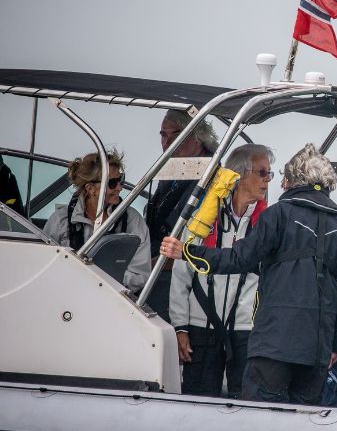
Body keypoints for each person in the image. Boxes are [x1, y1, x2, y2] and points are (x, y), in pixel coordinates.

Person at [160, 143, 337, 405]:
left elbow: (239, 258)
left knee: (256, 417)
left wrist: (187, 252)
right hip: (317, 351)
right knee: (302, 424)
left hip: (272, 347)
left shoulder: (276, 215)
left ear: (292, 180)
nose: (274, 183)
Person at [169, 144, 273, 398]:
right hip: (200, 326)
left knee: (245, 402)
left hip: (245, 330)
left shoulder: (268, 223)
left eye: (271, 173)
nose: (268, 179)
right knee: (197, 399)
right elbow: (181, 272)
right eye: (262, 172)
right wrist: (180, 327)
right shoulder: (205, 218)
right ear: (240, 174)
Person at [144, 110, 218, 323]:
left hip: (183, 275)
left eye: (174, 135)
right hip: (156, 265)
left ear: (197, 136)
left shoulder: (211, 174)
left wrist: (149, 266)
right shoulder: (176, 168)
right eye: (163, 135)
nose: (166, 143)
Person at [43, 150, 152, 293]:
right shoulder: (60, 220)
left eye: (121, 180)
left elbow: (140, 274)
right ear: (90, 188)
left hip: (113, 298)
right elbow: (45, 264)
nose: (119, 187)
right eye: (112, 183)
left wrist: (100, 282)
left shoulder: (133, 220)